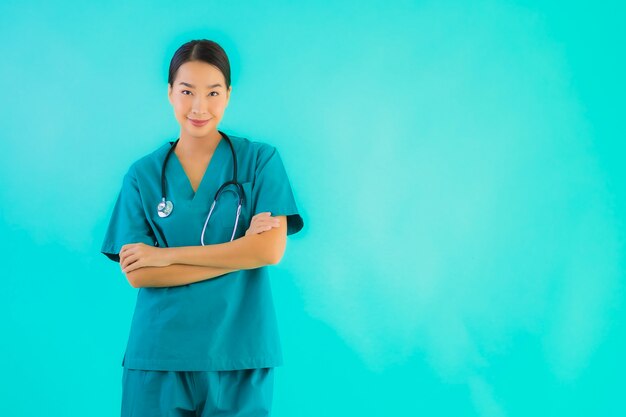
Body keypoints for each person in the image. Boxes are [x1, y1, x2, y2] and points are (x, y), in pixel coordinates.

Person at [100, 39, 304, 417]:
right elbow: (138, 273)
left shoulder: (260, 161)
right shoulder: (143, 175)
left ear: (228, 94)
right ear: (169, 93)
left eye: (212, 92)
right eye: (187, 91)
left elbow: (270, 251)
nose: (199, 106)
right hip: (158, 358)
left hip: (239, 355)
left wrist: (166, 256)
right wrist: (242, 251)